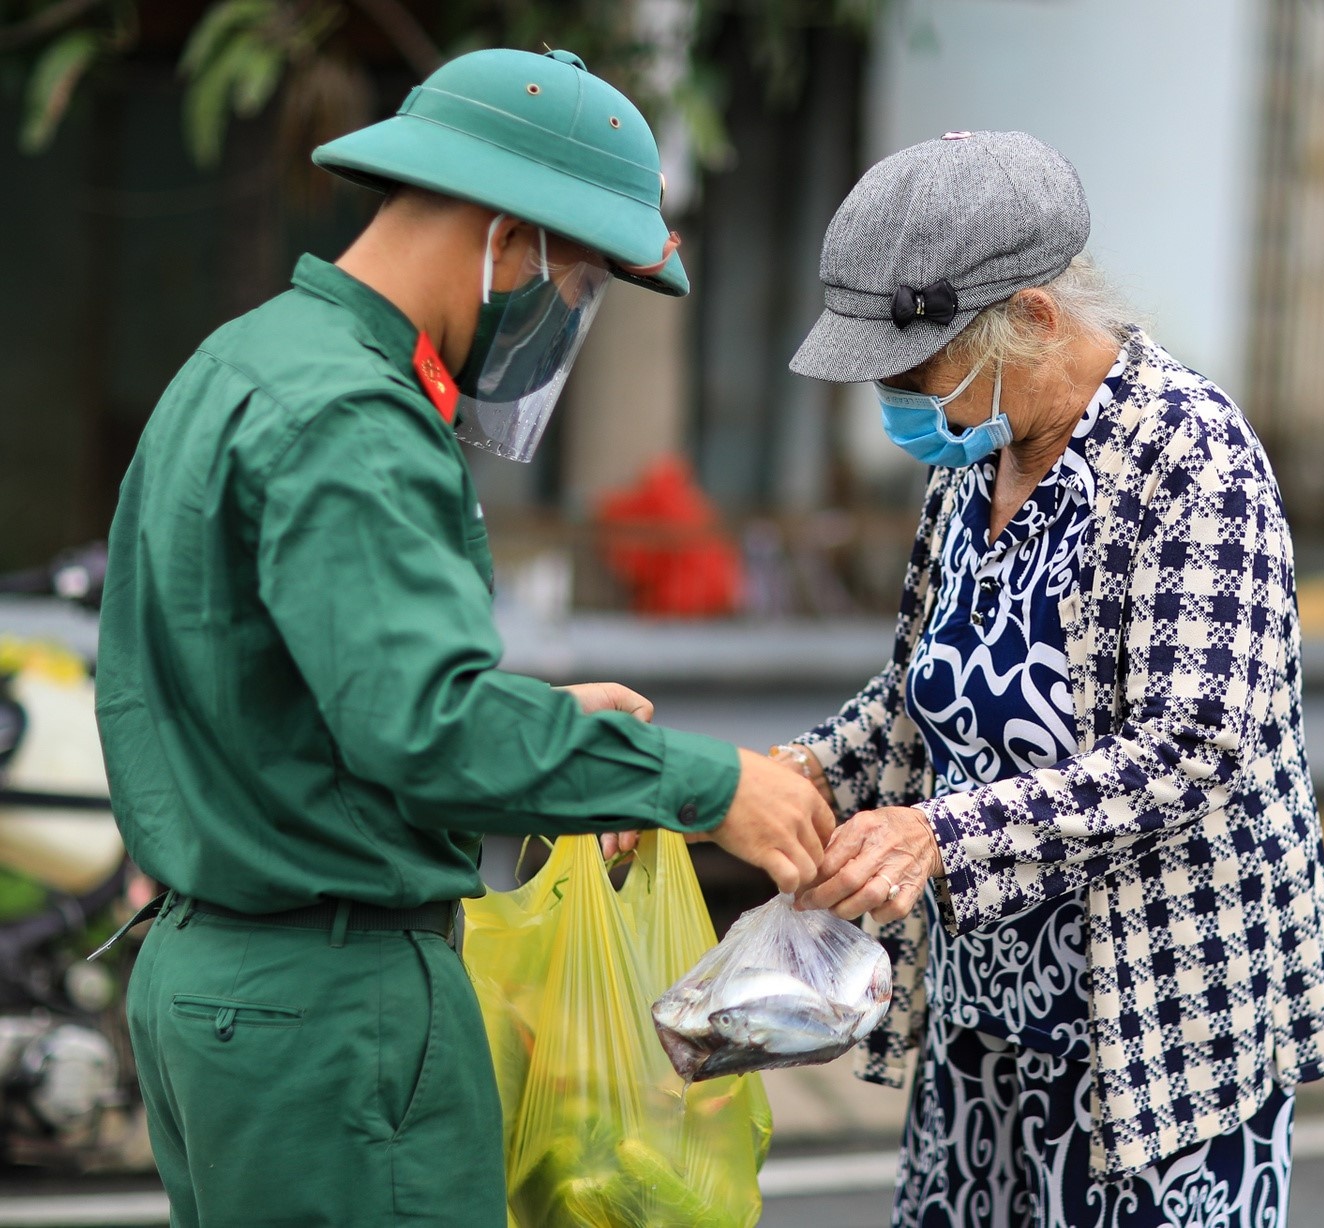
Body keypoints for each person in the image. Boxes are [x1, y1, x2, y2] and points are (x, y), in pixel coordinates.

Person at [92, 48, 833, 1227]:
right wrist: (709, 785)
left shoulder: (240, 362)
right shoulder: (356, 417)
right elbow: (425, 728)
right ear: (507, 241)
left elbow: (278, 691)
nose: (567, 319)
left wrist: (540, 727)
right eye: (581, 286)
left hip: (212, 986)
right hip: (337, 1011)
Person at [769, 130, 1324, 1228]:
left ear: (1033, 320)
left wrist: (942, 835)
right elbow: (919, 692)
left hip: (1154, 1032)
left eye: (915, 373)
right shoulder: (980, 455)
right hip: (983, 1028)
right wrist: (788, 769)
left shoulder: (1191, 455)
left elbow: (1192, 745)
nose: (901, 404)